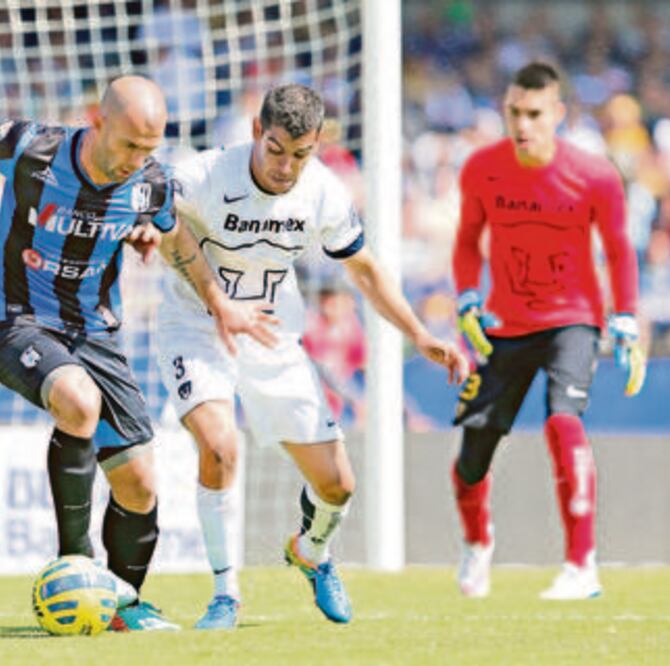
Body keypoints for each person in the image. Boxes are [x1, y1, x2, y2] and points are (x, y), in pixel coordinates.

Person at [0, 76, 277, 631]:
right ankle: (78, 563)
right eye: (129, 146)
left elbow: (176, 239)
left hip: (96, 334)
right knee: (77, 400)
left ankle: (122, 606)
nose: (138, 160)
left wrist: (219, 302)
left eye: (150, 149)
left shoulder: (150, 185)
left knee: (140, 483)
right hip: (14, 322)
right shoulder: (33, 147)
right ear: (99, 121)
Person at [156, 83, 468, 629]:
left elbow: (364, 269)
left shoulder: (322, 191)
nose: (285, 167)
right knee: (221, 446)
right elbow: (162, 224)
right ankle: (225, 595)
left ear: (317, 144)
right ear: (257, 131)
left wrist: (419, 333)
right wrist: (215, 299)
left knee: (337, 485)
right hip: (197, 327)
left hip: (272, 336)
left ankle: (311, 552)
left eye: (300, 154)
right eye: (275, 150)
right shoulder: (205, 174)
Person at [450, 62, 645, 601]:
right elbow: (468, 239)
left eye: (534, 113)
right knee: (472, 457)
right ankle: (477, 544)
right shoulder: (482, 169)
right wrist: (467, 295)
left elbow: (620, 246)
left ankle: (582, 565)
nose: (522, 124)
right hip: (504, 325)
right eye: (514, 112)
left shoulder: (595, 174)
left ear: (556, 114)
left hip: (573, 319)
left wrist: (626, 315)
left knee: (564, 422)